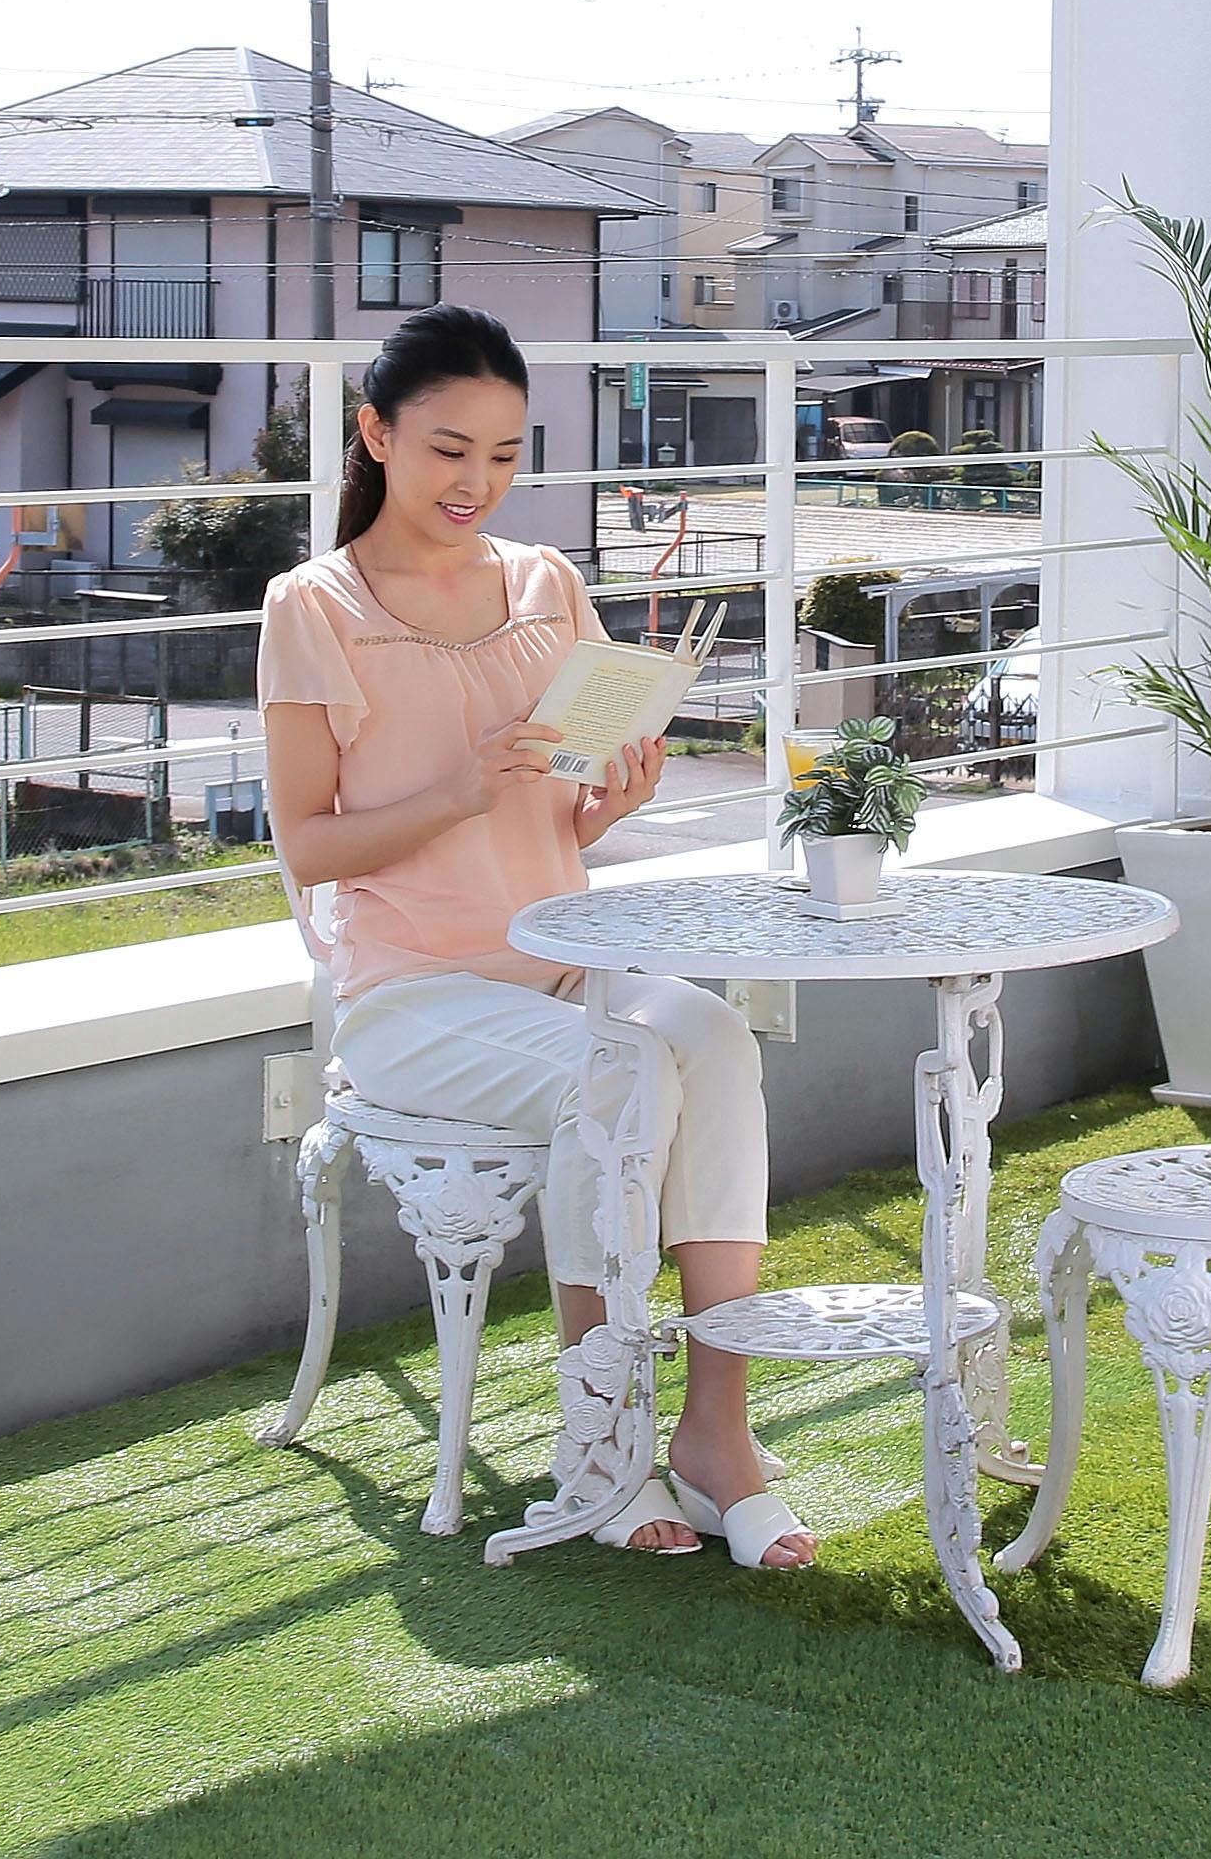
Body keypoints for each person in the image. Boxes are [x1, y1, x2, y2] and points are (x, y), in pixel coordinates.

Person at [257, 304, 809, 1567]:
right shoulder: (314, 606)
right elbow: (310, 849)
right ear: (376, 435)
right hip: (412, 998)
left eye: (505, 455)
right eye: (450, 450)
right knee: (622, 1070)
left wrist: (613, 800)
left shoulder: (547, 584)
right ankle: (602, 1443)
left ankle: (717, 1435)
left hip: (561, 963)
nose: (478, 482)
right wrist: (459, 789)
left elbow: (563, 795)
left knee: (714, 1037)